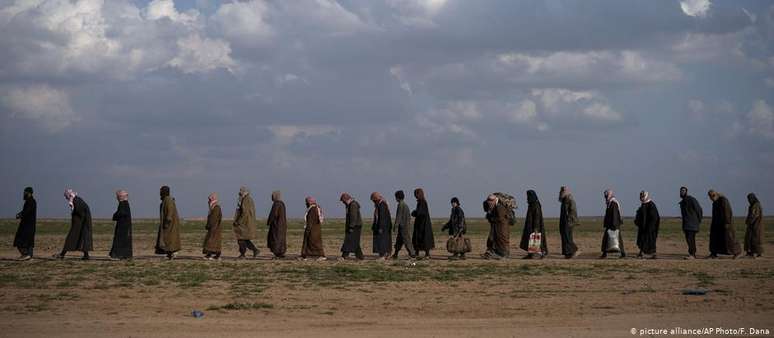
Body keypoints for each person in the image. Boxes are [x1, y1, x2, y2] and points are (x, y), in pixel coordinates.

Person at [55, 189, 93, 260]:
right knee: (82, 239)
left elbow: (80, 212)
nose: (66, 198)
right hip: (81, 224)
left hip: (80, 224)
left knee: (71, 239)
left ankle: (62, 254)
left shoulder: (76, 201)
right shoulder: (77, 200)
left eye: (66, 196)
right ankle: (86, 255)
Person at [707, 190, 741, 259]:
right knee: (715, 239)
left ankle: (737, 253)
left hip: (725, 224)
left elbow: (727, 212)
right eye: (710, 196)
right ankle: (714, 253)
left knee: (730, 239)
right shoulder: (715, 202)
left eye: (712, 195)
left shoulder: (723, 200)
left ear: (715, 194)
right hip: (717, 224)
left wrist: (727, 223)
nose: (711, 198)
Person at [155, 185, 181, 260]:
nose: (160, 193)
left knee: (170, 239)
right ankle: (169, 253)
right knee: (167, 239)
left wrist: (167, 222)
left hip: (170, 224)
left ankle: (172, 253)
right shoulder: (165, 200)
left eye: (161, 191)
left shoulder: (168, 200)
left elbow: (170, 211)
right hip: (168, 223)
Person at [520, 190, 547, 259]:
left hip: (535, 226)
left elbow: (537, 217)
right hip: (530, 225)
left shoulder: (536, 205)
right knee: (531, 240)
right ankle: (531, 254)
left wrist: (536, 228)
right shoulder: (531, 204)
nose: (527, 198)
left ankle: (538, 254)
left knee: (536, 240)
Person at [234, 186, 259, 259]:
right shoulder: (248, 199)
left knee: (240, 238)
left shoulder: (246, 200)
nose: (239, 193)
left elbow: (244, 213)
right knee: (244, 239)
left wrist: (238, 221)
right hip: (247, 223)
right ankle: (254, 250)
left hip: (244, 224)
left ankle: (243, 254)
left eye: (241, 191)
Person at [599, 189, 625, 259]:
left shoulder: (613, 203)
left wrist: (613, 225)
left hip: (613, 225)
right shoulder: (610, 202)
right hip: (611, 224)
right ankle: (605, 253)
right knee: (607, 238)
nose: (605, 196)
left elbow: (615, 215)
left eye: (606, 195)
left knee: (617, 239)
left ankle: (623, 253)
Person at [634, 191, 659, 259]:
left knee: (650, 240)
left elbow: (654, 217)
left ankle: (653, 254)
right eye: (641, 196)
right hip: (643, 227)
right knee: (642, 240)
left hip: (650, 227)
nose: (641, 197)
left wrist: (650, 226)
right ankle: (641, 253)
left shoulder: (651, 205)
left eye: (643, 196)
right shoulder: (643, 204)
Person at [679, 187, 703, 259]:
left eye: (683, 191)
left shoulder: (691, 199)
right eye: (681, 191)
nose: (682, 192)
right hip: (687, 224)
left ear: (686, 191)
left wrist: (698, 220)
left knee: (691, 239)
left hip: (692, 224)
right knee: (689, 239)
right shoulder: (683, 201)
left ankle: (692, 254)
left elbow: (699, 210)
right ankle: (692, 254)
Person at [484, 194, 510, 259]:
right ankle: (497, 253)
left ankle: (504, 254)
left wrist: (492, 218)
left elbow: (500, 218)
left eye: (490, 201)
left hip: (502, 227)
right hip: (497, 227)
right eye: (489, 201)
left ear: (494, 200)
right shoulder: (493, 206)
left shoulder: (499, 207)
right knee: (494, 239)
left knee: (502, 240)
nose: (489, 202)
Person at [13, 187, 36, 261]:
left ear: (28, 193)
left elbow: (27, 211)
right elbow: (25, 211)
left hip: (27, 225)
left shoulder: (31, 201)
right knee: (29, 241)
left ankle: (26, 254)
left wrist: (20, 215)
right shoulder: (30, 201)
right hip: (29, 225)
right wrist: (20, 214)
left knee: (20, 240)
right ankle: (28, 255)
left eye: (25, 192)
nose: (24, 194)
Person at [411, 188, 435, 259]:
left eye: (416, 194)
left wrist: (414, 213)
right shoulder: (421, 201)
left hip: (422, 224)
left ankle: (426, 254)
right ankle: (418, 253)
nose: (415, 195)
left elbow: (420, 213)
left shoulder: (422, 202)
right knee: (419, 239)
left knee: (423, 239)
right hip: (421, 224)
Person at [109, 190, 133, 260]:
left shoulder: (122, 204)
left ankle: (119, 254)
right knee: (124, 241)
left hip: (122, 226)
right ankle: (125, 255)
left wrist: (115, 216)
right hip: (125, 225)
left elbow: (121, 213)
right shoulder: (126, 204)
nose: (117, 198)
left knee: (120, 241)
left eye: (118, 196)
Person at [392, 190, 416, 259]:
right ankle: (395, 254)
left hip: (403, 227)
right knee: (399, 241)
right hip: (405, 226)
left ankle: (412, 254)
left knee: (407, 240)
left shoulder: (400, 205)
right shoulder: (405, 205)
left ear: (397, 197)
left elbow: (398, 216)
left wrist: (395, 226)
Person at [339, 193, 364, 260]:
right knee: (355, 241)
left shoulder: (353, 205)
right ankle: (360, 256)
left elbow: (353, 217)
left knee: (348, 240)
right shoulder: (350, 205)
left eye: (343, 201)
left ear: (346, 199)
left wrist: (351, 227)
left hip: (355, 226)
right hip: (355, 226)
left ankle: (344, 256)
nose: (343, 203)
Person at [301, 196, 326, 261]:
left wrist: (307, 230)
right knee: (313, 243)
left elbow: (310, 221)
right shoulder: (316, 208)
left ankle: (321, 255)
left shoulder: (312, 209)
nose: (305, 204)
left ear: (309, 202)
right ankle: (308, 255)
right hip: (316, 229)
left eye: (306, 202)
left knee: (314, 244)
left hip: (312, 230)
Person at [558, 186, 580, 259]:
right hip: (564, 221)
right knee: (565, 237)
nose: (561, 192)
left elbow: (573, 211)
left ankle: (574, 250)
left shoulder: (570, 199)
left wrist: (569, 220)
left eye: (562, 191)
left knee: (568, 238)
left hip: (568, 222)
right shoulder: (564, 200)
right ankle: (568, 253)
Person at [371, 192, 393, 259]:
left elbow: (382, 217)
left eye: (373, 200)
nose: (373, 202)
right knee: (383, 240)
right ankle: (385, 254)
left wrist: (380, 227)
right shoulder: (380, 205)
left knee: (382, 241)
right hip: (383, 227)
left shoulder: (382, 205)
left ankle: (383, 255)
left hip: (383, 227)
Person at [266, 190, 288, 259]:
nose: (271, 197)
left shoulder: (276, 204)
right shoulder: (282, 203)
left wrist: (269, 221)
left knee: (275, 239)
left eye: (272, 196)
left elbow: (273, 214)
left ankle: (278, 253)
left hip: (276, 226)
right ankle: (281, 253)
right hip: (282, 225)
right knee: (280, 239)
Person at [203, 193, 222, 260]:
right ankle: (210, 254)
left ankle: (215, 255)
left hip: (214, 227)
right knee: (211, 241)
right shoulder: (213, 207)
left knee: (212, 241)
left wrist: (209, 225)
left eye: (210, 199)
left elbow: (214, 218)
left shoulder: (216, 207)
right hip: (213, 227)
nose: (208, 201)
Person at [744, 193, 764, 258]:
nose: (749, 200)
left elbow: (754, 215)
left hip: (756, 225)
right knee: (750, 239)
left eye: (749, 199)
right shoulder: (753, 205)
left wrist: (749, 221)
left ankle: (758, 253)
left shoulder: (756, 205)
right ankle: (750, 252)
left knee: (756, 239)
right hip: (752, 225)